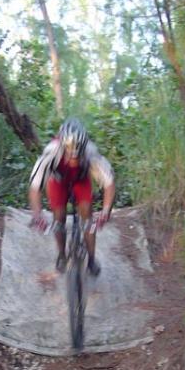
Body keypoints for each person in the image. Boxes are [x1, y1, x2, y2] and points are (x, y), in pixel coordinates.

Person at [29, 118, 115, 276]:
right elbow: (35, 187)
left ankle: (91, 259)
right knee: (58, 218)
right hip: (58, 181)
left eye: (77, 156)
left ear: (83, 149)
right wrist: (37, 214)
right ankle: (62, 254)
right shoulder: (51, 152)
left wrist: (106, 211)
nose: (73, 159)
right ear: (63, 147)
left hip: (81, 180)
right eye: (69, 156)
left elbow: (108, 183)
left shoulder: (91, 153)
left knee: (87, 217)